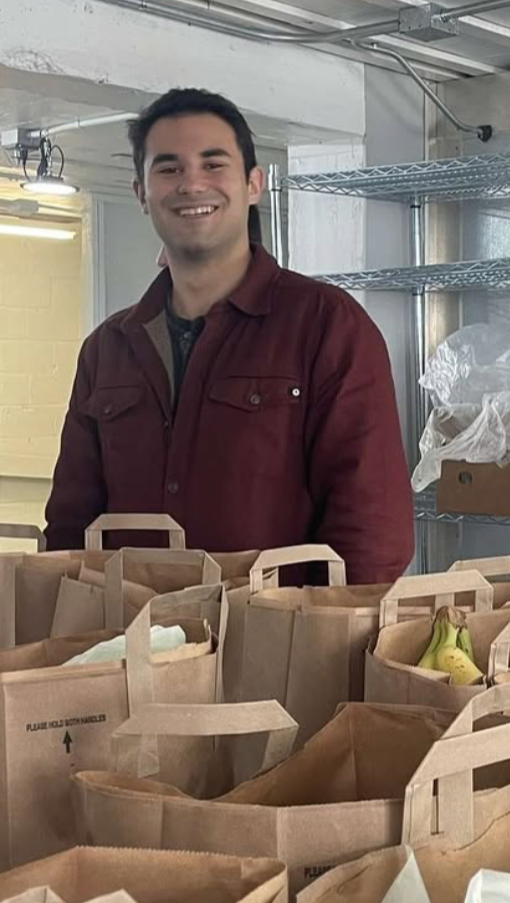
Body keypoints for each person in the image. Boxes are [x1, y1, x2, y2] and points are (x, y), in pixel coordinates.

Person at [45, 88, 414, 584]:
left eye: (213, 164)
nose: (192, 184)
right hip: (129, 644)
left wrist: (321, 647)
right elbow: (71, 525)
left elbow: (373, 529)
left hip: (277, 648)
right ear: (140, 193)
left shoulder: (327, 326)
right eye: (169, 168)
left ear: (253, 184)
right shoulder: (107, 350)